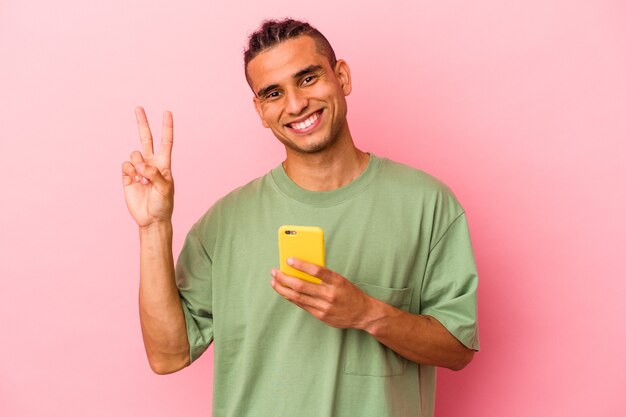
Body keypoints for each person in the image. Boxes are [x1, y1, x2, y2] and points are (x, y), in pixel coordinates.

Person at [122, 18, 479, 417]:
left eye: (307, 79)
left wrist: (366, 313)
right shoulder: (222, 225)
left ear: (341, 76)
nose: (295, 105)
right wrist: (154, 228)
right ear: (260, 109)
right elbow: (168, 355)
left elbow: (458, 348)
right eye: (273, 93)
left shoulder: (427, 203)